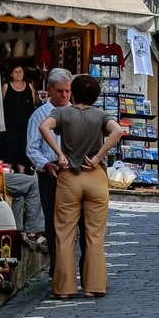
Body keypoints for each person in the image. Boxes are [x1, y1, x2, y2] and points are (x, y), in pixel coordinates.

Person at [50, 73, 124, 299]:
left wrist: (60, 154)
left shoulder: (62, 113)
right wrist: (99, 156)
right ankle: (94, 286)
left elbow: (44, 127)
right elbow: (118, 131)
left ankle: (64, 289)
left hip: (70, 177)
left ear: (72, 93)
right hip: (95, 176)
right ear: (96, 96)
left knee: (64, 234)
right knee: (95, 235)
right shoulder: (101, 115)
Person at [25, 67, 72, 259]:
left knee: (70, 221)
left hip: (72, 171)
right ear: (50, 90)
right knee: (53, 222)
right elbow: (32, 149)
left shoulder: (74, 112)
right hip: (50, 173)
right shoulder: (39, 115)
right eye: (60, 91)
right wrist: (46, 165)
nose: (64, 95)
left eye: (67, 91)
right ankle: (56, 265)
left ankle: (69, 264)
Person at [0, 62, 36, 167]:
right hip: (10, 124)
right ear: (11, 74)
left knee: (23, 146)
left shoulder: (29, 86)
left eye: (20, 72)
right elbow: (0, 104)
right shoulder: (6, 86)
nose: (18, 74)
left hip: (25, 124)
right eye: (16, 72)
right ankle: (10, 171)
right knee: (10, 147)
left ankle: (22, 172)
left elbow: (33, 103)